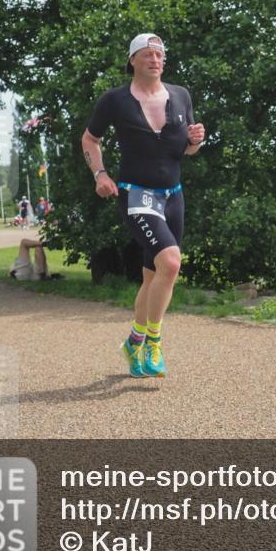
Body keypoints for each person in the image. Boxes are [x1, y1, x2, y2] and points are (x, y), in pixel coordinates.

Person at [82, 33, 204, 378]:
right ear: (132, 60)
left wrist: (196, 141)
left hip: (173, 196)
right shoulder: (115, 100)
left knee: (153, 277)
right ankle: (153, 341)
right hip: (137, 194)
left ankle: (133, 341)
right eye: (148, 54)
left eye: (160, 55)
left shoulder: (180, 95)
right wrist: (100, 174)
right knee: (171, 263)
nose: (155, 60)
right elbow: (90, 139)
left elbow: (187, 150)